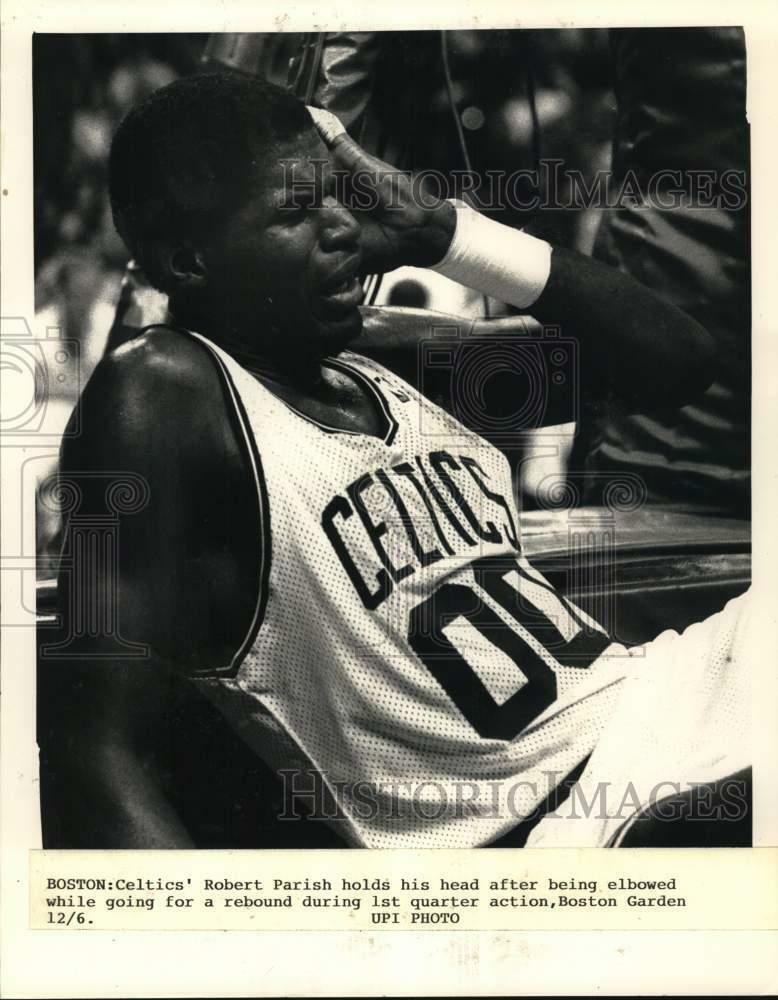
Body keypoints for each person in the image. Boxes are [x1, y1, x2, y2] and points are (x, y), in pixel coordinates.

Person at [44, 72, 749, 849]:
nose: (344, 225)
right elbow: (96, 750)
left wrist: (446, 232)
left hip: (661, 699)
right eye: (296, 211)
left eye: (338, 194)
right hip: (585, 813)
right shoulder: (166, 391)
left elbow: (676, 361)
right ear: (187, 264)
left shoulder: (376, 356)